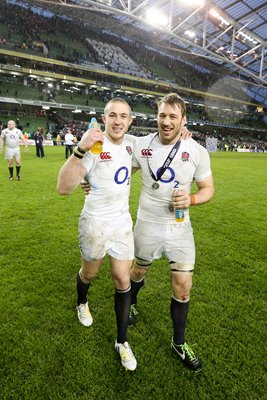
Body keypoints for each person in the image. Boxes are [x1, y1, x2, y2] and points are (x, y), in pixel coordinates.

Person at [129, 93, 214, 372]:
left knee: (183, 287)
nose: (166, 121)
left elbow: (208, 190)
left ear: (183, 120)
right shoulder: (141, 146)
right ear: (157, 116)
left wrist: (190, 199)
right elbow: (119, 170)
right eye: (162, 115)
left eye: (173, 116)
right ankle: (132, 302)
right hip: (147, 224)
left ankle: (179, 342)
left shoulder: (197, 151)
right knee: (138, 272)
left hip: (180, 228)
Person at [57, 98, 137, 371]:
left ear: (130, 121)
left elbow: (159, 145)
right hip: (95, 223)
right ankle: (82, 301)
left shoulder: (133, 144)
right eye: (112, 115)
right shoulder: (93, 145)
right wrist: (80, 150)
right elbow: (63, 188)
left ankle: (122, 341)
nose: (117, 121)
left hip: (122, 223)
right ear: (104, 118)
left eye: (123, 116)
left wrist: (183, 131)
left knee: (122, 278)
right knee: (89, 273)